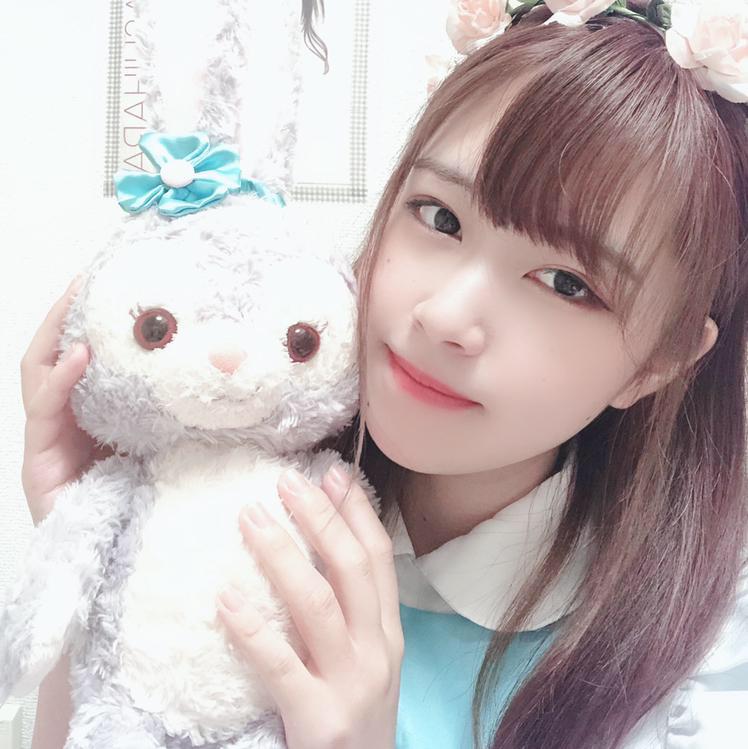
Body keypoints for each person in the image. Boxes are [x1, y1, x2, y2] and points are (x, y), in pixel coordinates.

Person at [19, 2, 748, 748]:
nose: (446, 315)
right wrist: (98, 556)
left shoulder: (705, 673)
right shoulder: (233, 493)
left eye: (567, 283)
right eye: (439, 217)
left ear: (658, 360)